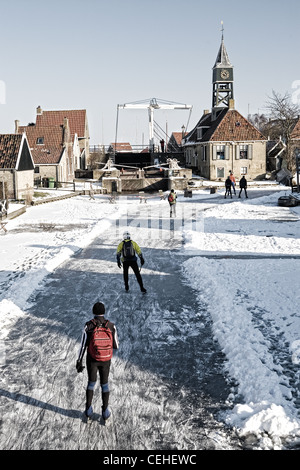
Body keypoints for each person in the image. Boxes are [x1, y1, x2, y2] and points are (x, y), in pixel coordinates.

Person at [76, 302, 119, 421]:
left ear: (93, 312)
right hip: (105, 360)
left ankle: (88, 410)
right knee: (104, 384)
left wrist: (79, 361)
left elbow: (83, 345)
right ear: (104, 312)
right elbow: (116, 346)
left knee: (91, 383)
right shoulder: (111, 326)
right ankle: (105, 412)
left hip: (92, 359)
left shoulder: (88, 326)